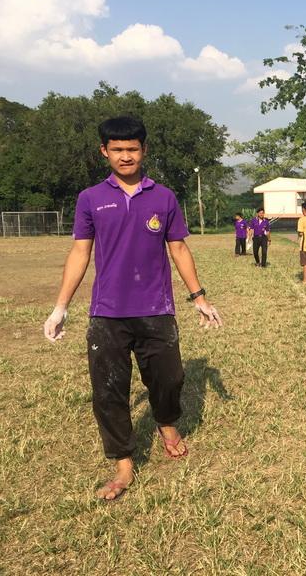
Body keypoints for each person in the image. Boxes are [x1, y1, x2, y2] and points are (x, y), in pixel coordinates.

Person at [42, 116, 223, 502]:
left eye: (133, 149)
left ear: (144, 150)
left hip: (156, 309)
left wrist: (199, 297)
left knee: (170, 378)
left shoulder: (164, 197)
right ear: (104, 151)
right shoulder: (90, 198)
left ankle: (166, 423)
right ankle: (124, 463)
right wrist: (61, 307)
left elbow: (178, 248)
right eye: (118, 149)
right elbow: (80, 252)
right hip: (107, 312)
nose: (126, 156)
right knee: (108, 390)